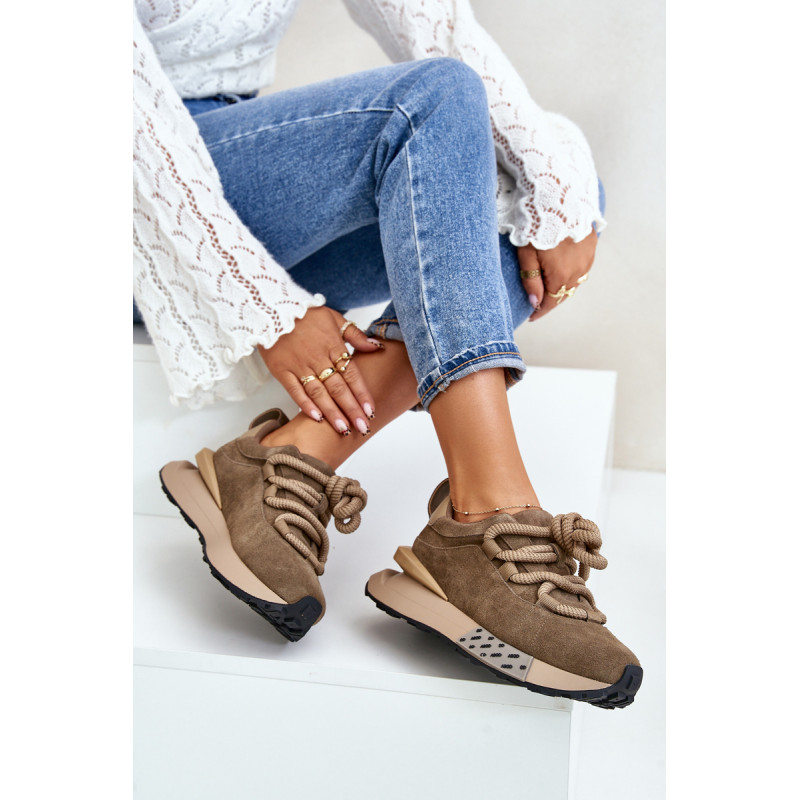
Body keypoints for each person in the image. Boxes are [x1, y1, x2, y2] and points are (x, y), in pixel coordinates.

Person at [134, 0, 642, 708]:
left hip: (230, 166)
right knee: (433, 99)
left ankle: (294, 453)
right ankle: (486, 520)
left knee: (538, 192)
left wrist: (560, 193)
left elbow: (432, 23)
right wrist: (264, 307)